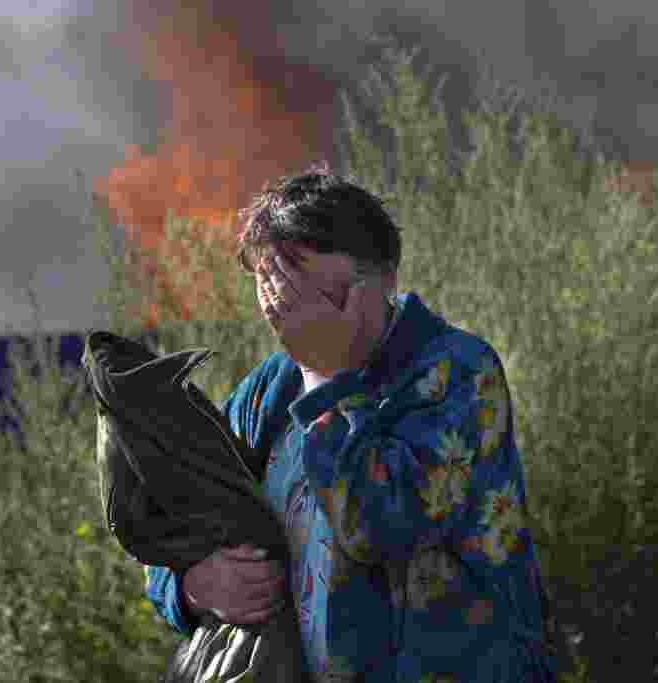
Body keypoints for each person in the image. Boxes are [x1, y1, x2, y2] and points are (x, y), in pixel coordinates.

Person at [143, 162, 558, 682]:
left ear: (380, 278)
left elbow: (383, 527)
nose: (279, 295)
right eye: (268, 276)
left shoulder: (456, 371)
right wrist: (193, 585)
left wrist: (325, 377)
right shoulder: (268, 390)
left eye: (298, 272)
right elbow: (179, 518)